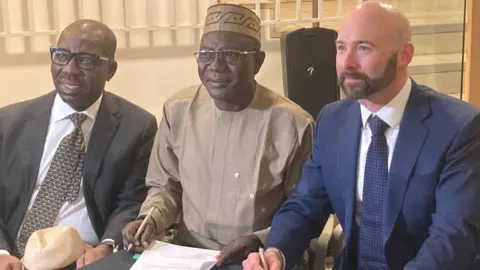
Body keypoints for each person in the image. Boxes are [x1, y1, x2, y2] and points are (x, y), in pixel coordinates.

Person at [243, 2, 480, 270]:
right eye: (341, 47)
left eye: (364, 48)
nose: (348, 62)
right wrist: (276, 252)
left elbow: (453, 235)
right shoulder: (333, 120)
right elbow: (306, 204)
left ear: (404, 55)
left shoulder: (459, 127)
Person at [122, 3, 314, 268]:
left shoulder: (293, 123)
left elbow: (304, 209)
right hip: (187, 253)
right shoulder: (177, 110)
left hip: (260, 257)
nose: (215, 66)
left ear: (257, 61)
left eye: (231, 55)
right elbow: (165, 187)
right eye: (206, 54)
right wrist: (150, 219)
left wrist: (259, 240)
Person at [0, 19, 157, 270]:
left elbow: (132, 200)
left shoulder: (137, 127)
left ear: (111, 70)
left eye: (86, 59)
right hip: (12, 253)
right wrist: (1, 251)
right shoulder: (8, 122)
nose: (70, 69)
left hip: (85, 257)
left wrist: (107, 245)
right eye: (62, 56)